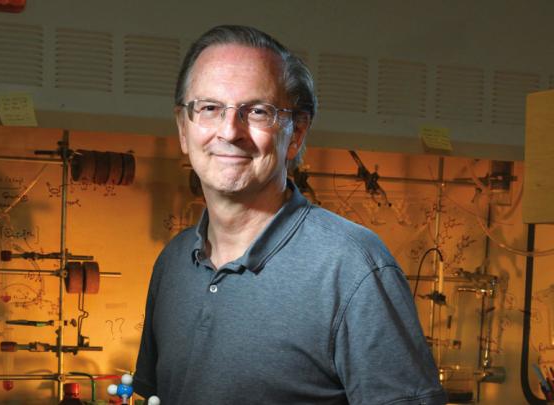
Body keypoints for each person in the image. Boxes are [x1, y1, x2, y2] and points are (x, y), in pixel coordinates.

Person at [133, 24, 446, 405]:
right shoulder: (173, 263)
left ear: (296, 133)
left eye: (257, 111)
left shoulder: (353, 268)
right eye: (210, 109)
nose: (230, 131)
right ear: (184, 128)